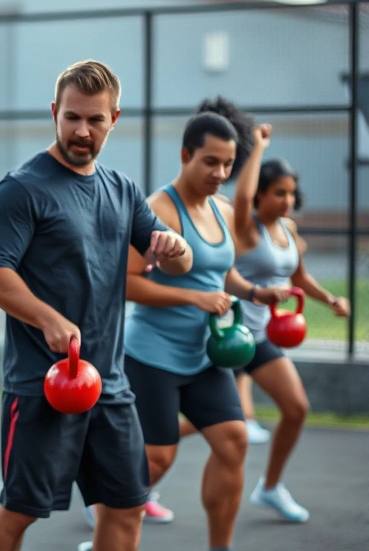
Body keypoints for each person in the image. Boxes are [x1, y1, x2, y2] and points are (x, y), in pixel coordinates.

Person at [0, 60, 193, 551]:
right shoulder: (22, 188)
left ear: (114, 119)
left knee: (127, 506)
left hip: (109, 386)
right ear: (54, 112)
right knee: (19, 511)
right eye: (72, 117)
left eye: (95, 120)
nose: (81, 130)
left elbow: (177, 261)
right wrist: (46, 316)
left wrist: (177, 249)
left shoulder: (122, 190)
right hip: (41, 386)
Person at [120, 112, 291, 551]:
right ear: (185, 155)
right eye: (210, 162)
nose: (220, 173)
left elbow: (221, 274)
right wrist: (194, 299)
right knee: (158, 458)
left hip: (205, 354)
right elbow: (129, 282)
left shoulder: (224, 209)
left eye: (227, 164)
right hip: (154, 354)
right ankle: (109, 535)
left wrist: (255, 292)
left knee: (233, 442)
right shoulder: (158, 209)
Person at [209, 97, 348, 523]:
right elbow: (244, 192)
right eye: (279, 193)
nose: (288, 201)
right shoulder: (246, 228)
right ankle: (136, 481)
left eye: (291, 193)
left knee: (297, 407)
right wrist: (258, 146)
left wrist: (330, 300)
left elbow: (298, 277)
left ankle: (269, 487)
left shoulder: (288, 230)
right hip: (230, 337)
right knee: (203, 425)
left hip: (262, 338)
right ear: (262, 195)